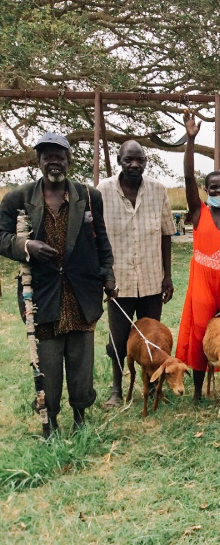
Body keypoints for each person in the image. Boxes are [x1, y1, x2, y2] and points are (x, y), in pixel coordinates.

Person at [0, 132, 116, 435]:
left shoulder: (89, 196)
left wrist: (109, 275)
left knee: (81, 362)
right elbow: (0, 235)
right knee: (48, 362)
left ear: (68, 160)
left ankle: (80, 418)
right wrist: (26, 246)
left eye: (59, 155)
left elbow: (101, 239)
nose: (54, 160)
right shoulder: (19, 198)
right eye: (47, 155)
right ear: (38, 161)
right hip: (41, 293)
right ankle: (49, 421)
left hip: (81, 293)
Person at [175, 112, 220, 402]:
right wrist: (190, 141)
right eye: (214, 187)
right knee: (199, 333)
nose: (219, 191)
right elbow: (188, 177)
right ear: (207, 191)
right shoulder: (198, 213)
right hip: (202, 281)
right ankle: (196, 391)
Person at [97, 140, 175, 409]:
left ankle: (153, 386)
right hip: (118, 282)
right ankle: (116, 390)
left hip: (152, 278)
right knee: (118, 339)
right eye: (128, 159)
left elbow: (167, 234)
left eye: (139, 160)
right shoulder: (103, 191)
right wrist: (104, 275)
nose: (134, 164)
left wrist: (168, 276)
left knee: (152, 338)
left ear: (145, 162)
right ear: (119, 160)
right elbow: (97, 237)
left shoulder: (158, 190)